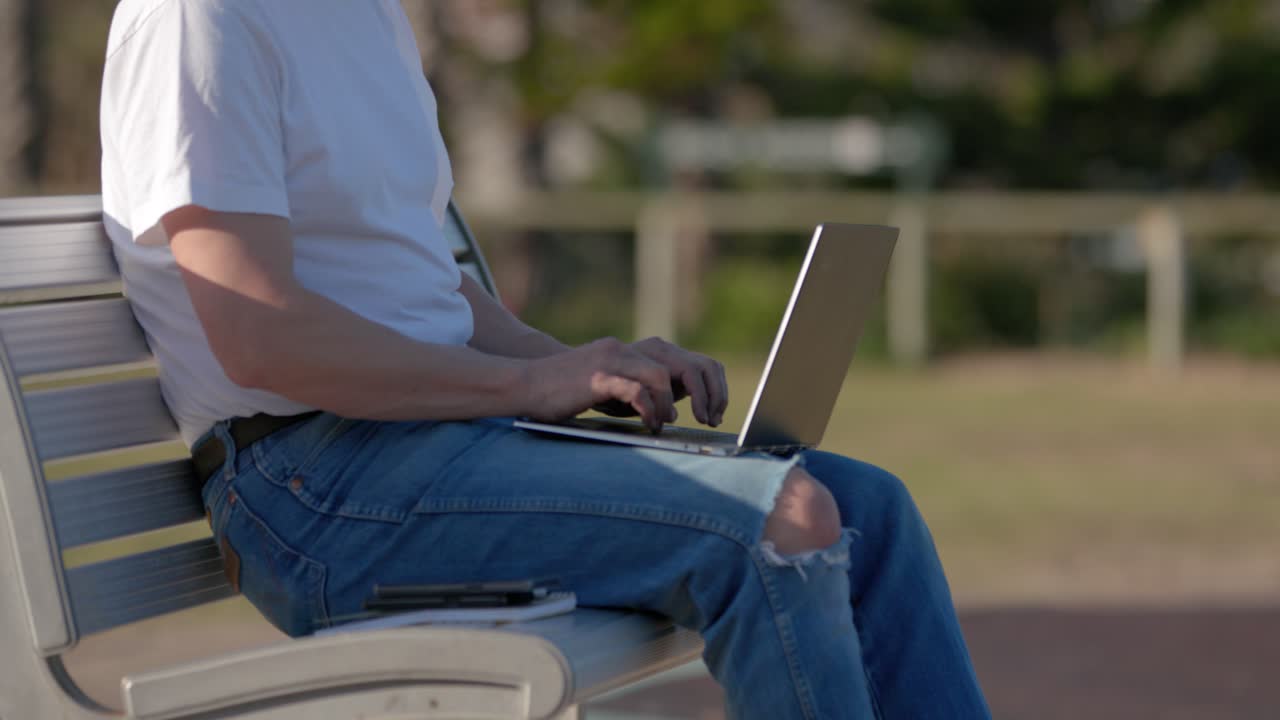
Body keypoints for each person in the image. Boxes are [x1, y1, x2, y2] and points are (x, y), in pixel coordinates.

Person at [99, 2, 990, 718]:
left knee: (872, 507)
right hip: (314, 491)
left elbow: (431, 292)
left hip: (434, 443)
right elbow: (262, 336)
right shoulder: (199, 20)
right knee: (775, 526)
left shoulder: (368, 16)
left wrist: (586, 366)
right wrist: (527, 384)